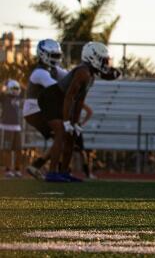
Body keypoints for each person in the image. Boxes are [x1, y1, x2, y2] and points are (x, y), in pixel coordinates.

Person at [37, 42, 120, 182]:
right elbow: (69, 96)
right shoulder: (83, 72)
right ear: (92, 58)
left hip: (61, 101)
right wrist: (66, 121)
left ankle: (64, 173)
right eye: (103, 60)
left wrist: (75, 122)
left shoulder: (91, 75)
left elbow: (79, 101)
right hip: (51, 99)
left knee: (72, 136)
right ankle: (52, 173)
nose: (106, 63)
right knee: (61, 133)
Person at [22, 39, 68, 178]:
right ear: (43, 55)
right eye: (53, 56)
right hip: (34, 110)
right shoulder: (39, 73)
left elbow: (69, 76)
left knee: (62, 137)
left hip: (41, 109)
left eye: (57, 56)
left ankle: (37, 165)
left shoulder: (53, 69)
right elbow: (57, 88)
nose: (56, 59)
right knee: (61, 132)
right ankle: (53, 172)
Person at [0, 80, 24, 177]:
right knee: (7, 149)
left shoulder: (19, 97)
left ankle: (17, 170)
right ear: (9, 88)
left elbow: (24, 87)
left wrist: (17, 83)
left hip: (17, 127)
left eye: (16, 89)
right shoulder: (3, 97)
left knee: (18, 149)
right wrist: (5, 84)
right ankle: (8, 170)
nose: (15, 91)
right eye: (13, 88)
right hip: (6, 127)